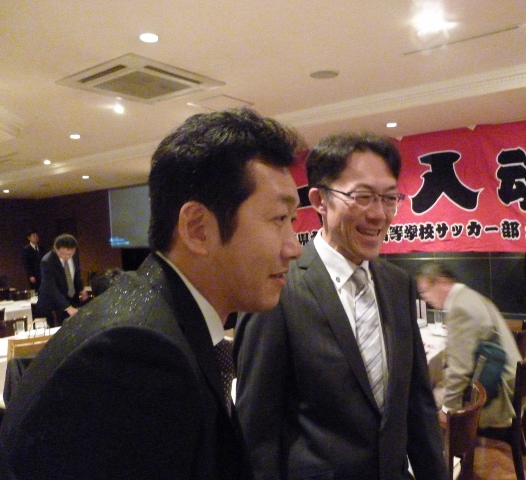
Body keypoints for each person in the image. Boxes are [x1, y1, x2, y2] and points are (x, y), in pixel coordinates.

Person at [0, 108, 303, 479]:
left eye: (293, 221)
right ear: (198, 228)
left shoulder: (161, 320)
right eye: (278, 219)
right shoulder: (137, 354)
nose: (294, 247)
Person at [235, 132, 447, 480]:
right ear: (319, 200)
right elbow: (257, 432)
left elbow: (417, 405)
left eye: (389, 198)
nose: (378, 214)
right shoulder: (277, 289)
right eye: (362, 197)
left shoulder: (398, 284)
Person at [416, 262, 523, 429]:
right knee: (435, 377)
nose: (425, 298)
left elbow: (460, 370)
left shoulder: (459, 309)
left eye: (425, 291)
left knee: (422, 401)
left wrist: (447, 409)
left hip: (498, 393)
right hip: (510, 378)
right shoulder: (469, 295)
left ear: (442, 282)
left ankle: (447, 445)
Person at [35, 233, 89, 325]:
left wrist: (80, 289)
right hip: (54, 304)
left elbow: (76, 275)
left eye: (70, 254)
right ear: (55, 249)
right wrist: (67, 307)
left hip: (71, 300)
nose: (67, 257)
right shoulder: (47, 261)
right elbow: (51, 288)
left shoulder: (74, 255)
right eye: (63, 254)